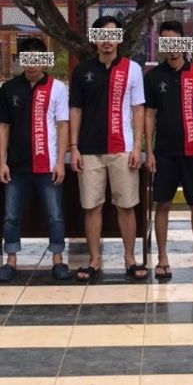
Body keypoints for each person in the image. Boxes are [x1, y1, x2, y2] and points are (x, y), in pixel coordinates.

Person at [68, 16, 147, 282]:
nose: (107, 40)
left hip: (122, 148)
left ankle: (130, 259)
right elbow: (75, 110)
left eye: (112, 35)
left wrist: (138, 147)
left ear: (119, 39)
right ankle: (94, 260)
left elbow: (138, 109)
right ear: (95, 39)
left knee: (126, 206)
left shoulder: (132, 69)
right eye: (102, 35)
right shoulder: (82, 71)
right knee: (92, 207)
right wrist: (74, 147)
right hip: (89, 150)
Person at [0, 37, 71, 283]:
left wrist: (60, 162)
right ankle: (11, 260)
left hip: (48, 165)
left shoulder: (57, 88)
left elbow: (63, 126)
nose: (32, 64)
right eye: (27, 59)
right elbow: (3, 126)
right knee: (11, 215)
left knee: (55, 214)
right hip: (17, 165)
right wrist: (2, 161)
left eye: (38, 58)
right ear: (21, 60)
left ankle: (58, 259)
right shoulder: (10, 88)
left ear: (45, 60)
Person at [145, 20, 193, 279]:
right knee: (162, 205)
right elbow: (149, 115)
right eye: (166, 42)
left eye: (175, 41)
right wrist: (149, 151)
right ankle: (162, 258)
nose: (172, 47)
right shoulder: (153, 76)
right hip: (164, 152)